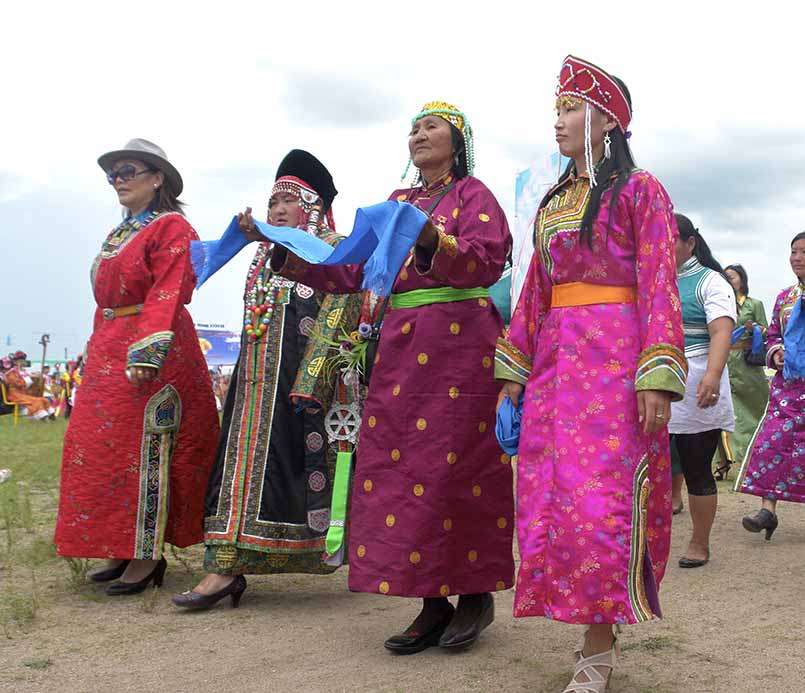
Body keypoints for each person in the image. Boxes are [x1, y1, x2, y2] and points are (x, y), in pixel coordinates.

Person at [274, 101, 514, 654]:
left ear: (457, 141)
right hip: (403, 350)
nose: (419, 135)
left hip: (461, 346)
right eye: (413, 129)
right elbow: (352, 268)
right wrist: (285, 252)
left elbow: (487, 260)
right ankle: (430, 600)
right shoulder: (397, 202)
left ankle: (474, 594)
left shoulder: (474, 195)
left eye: (431, 127)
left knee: (459, 469)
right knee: (404, 471)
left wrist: (431, 239)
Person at [496, 56, 686, 692]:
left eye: (570, 109)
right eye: (556, 110)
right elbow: (534, 291)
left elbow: (658, 280)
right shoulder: (554, 202)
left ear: (606, 119)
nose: (558, 122)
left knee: (600, 502)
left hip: (615, 362)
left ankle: (598, 643)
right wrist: (514, 373)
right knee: (553, 498)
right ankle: (582, 622)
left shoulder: (640, 190)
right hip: (556, 369)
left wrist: (656, 371)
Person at [173, 150, 345, 611]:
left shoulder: (333, 250)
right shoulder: (265, 254)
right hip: (252, 388)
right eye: (272, 202)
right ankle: (224, 565)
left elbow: (338, 316)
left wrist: (313, 380)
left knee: (289, 474)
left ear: (312, 207)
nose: (278, 209)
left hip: (302, 389)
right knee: (238, 470)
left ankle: (238, 565)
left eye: (289, 201)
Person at [54, 139, 219, 595]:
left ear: (157, 177)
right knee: (101, 449)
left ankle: (146, 556)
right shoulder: (119, 233)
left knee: (145, 448)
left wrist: (147, 351)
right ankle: (120, 546)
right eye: (113, 174)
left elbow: (169, 289)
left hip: (153, 351)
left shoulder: (172, 227)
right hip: (110, 349)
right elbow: (107, 302)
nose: (118, 181)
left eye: (127, 171)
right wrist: (98, 346)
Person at [736, 231, 805, 539]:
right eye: (793, 251)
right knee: (773, 439)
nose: (797, 258)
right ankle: (768, 509)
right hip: (788, 385)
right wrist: (777, 352)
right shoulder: (784, 297)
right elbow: (772, 335)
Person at [667, 216, 735, 569]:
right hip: (653, 379)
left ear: (690, 243)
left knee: (696, 465)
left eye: (670, 239)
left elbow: (721, 331)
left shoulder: (710, 281)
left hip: (696, 380)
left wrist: (712, 374)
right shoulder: (651, 279)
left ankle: (699, 542)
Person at [716, 263, 769, 479]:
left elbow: (767, 330)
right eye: (726, 277)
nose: (730, 280)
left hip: (747, 366)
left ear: (742, 279)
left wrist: (754, 328)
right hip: (723, 362)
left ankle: (752, 458)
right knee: (722, 412)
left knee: (751, 413)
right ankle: (723, 461)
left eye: (733, 277)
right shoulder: (720, 301)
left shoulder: (754, 304)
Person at [2, 351, 54, 419]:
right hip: (14, 394)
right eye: (20, 360)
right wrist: (29, 379)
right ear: (15, 362)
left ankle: (49, 414)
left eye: (23, 360)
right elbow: (18, 383)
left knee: (43, 400)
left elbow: (29, 382)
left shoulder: (25, 372)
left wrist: (36, 378)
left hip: (24, 394)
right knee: (36, 401)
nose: (22, 362)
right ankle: (40, 415)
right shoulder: (11, 373)